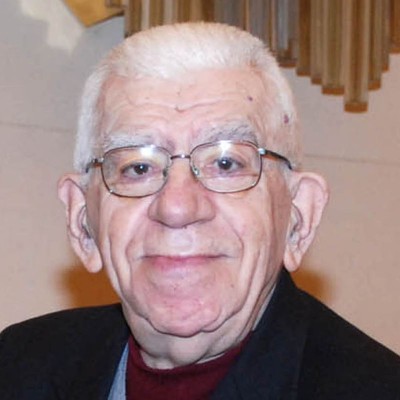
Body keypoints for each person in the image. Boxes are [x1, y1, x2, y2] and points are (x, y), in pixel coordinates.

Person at [0, 22, 399, 400]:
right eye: (138, 168)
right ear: (81, 223)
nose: (177, 207)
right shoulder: (17, 367)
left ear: (299, 218)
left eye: (226, 164)